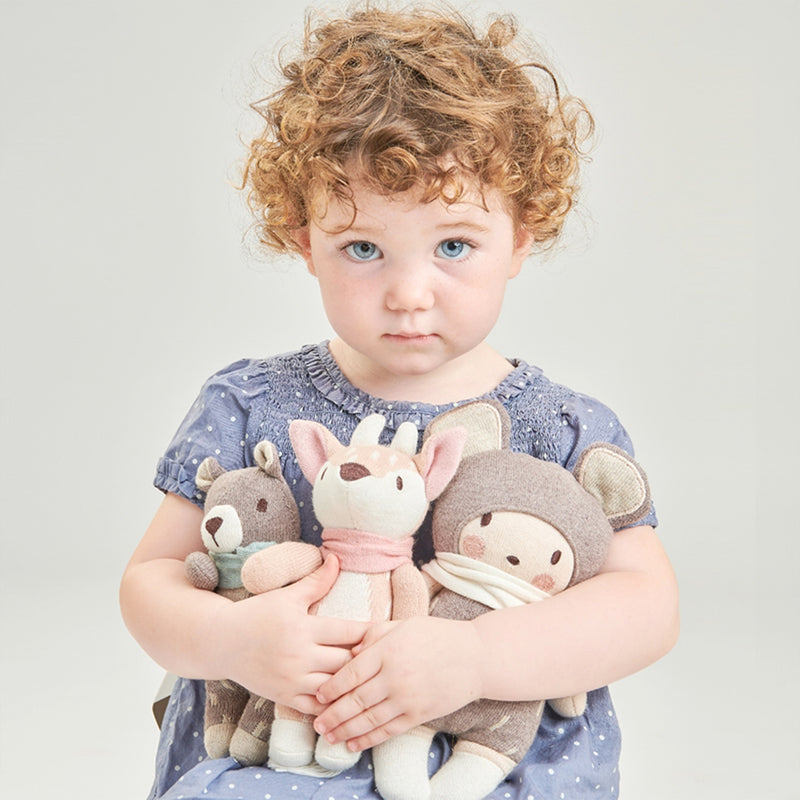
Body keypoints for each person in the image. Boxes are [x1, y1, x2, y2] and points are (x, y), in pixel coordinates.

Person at [119, 6, 679, 799]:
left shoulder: (564, 429)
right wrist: (234, 639)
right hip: (285, 759)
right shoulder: (250, 404)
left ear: (521, 235)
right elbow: (149, 582)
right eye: (363, 248)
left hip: (493, 762)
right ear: (302, 236)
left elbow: (647, 604)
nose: (409, 294)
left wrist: (479, 658)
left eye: (454, 245)